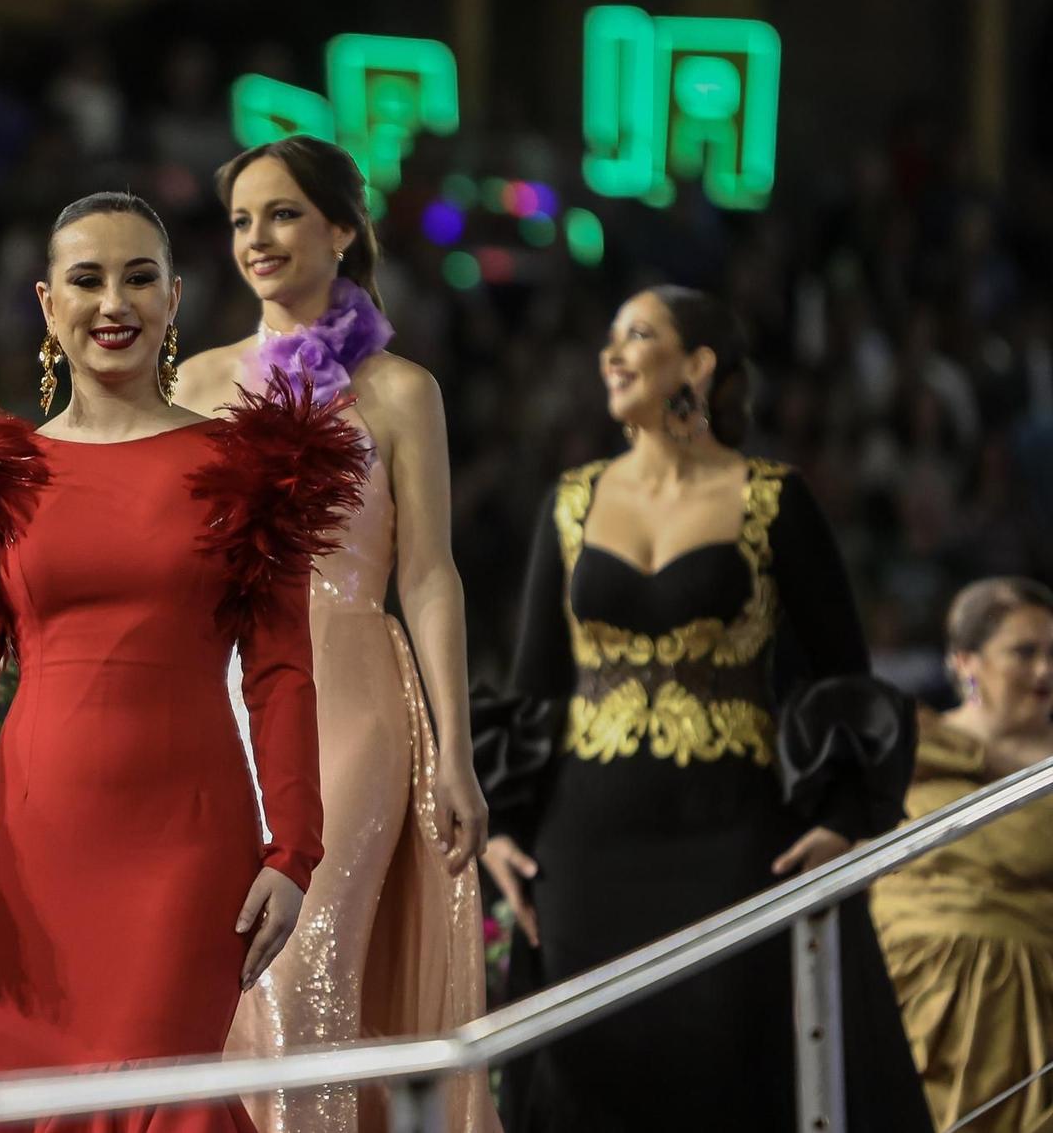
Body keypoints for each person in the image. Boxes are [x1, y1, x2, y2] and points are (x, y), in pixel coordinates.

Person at [0, 191, 366, 1131]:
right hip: (28, 855)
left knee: (161, 1099)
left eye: (139, 278)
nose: (115, 303)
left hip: (187, 853)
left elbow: (280, 674)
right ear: (46, 305)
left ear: (177, 297)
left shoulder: (249, 465)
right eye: (88, 280)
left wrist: (294, 850)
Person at [475, 286, 930, 1132]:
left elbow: (847, 674)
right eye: (608, 337)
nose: (611, 354)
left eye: (637, 335)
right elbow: (535, 685)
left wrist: (840, 818)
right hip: (586, 849)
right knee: (590, 1071)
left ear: (699, 365)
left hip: (733, 838)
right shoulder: (569, 501)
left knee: (725, 1069)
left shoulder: (774, 499)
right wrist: (503, 826)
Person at [175, 136, 495, 1133]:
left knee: (303, 965)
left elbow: (429, 574)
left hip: (349, 688)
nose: (255, 239)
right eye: (239, 220)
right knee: (210, 976)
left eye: (280, 214)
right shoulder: (188, 383)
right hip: (214, 697)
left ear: (342, 229)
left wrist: (454, 751)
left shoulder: (401, 391)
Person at [872, 577, 1053, 1133]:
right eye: (1025, 653)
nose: (1045, 672)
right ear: (965, 661)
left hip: (1031, 1015)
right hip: (906, 998)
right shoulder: (904, 746)